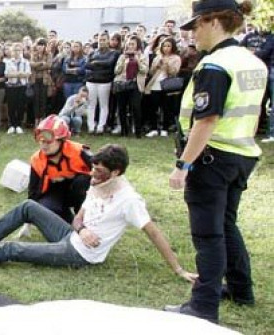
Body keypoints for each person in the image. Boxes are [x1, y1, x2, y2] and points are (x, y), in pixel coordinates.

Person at [0, 144, 198, 285]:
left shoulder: (129, 200)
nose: (92, 174)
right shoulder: (96, 184)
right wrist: (81, 229)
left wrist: (178, 269)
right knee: (29, 206)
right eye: (93, 168)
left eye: (99, 171)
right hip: (72, 236)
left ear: (116, 173)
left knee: (13, 250)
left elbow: (154, 233)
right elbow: (79, 218)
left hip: (82, 255)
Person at [164, 0, 265, 324]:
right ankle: (240, 289)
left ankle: (203, 305)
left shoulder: (215, 65)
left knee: (208, 233)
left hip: (212, 157)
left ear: (214, 21)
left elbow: (206, 121)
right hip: (241, 154)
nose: (192, 34)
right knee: (226, 224)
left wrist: (183, 165)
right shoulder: (252, 61)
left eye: (195, 26)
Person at [27, 115, 92, 223]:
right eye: (41, 141)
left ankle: (86, 219)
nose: (44, 145)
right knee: (45, 208)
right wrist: (27, 221)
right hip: (54, 193)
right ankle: (67, 221)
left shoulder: (79, 152)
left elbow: (102, 171)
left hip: (80, 192)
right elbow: (33, 192)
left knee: (82, 182)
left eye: (48, 141)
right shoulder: (37, 160)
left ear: (61, 140)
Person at [145, 37, 182, 137]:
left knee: (166, 107)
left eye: (168, 46)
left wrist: (167, 64)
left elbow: (174, 72)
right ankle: (153, 128)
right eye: (164, 46)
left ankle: (165, 128)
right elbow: (151, 72)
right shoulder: (157, 57)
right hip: (155, 84)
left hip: (167, 85)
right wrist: (157, 64)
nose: (166, 48)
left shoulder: (176, 58)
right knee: (153, 107)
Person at [113, 37, 149, 137]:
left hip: (135, 84)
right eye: (129, 44)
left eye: (132, 44)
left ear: (137, 45)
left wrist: (137, 60)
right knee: (121, 108)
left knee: (135, 107)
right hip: (122, 84)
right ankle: (124, 131)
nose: (130, 46)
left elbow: (145, 70)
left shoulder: (143, 56)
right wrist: (123, 61)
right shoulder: (122, 56)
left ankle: (138, 131)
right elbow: (116, 71)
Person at [85, 34, 120, 134]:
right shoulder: (92, 53)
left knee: (104, 105)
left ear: (108, 40)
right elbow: (87, 65)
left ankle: (101, 126)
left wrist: (95, 63)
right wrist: (100, 63)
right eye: (100, 40)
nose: (102, 41)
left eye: (104, 40)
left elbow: (109, 63)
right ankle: (91, 126)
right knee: (91, 105)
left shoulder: (114, 53)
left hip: (105, 81)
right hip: (91, 81)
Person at [4, 43, 31, 134]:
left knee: (21, 106)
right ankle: (12, 125)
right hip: (11, 87)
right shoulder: (8, 62)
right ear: (12, 51)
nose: (17, 52)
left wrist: (16, 73)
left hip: (22, 87)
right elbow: (7, 74)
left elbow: (28, 74)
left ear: (22, 51)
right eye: (15, 50)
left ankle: (18, 125)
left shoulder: (26, 62)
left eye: (19, 50)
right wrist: (19, 74)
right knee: (11, 106)